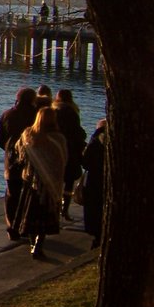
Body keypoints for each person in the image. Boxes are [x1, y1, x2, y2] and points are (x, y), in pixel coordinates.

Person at [10, 105, 67, 258]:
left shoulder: (27, 135)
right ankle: (38, 245)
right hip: (49, 184)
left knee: (30, 215)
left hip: (30, 181)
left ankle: (31, 243)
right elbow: (62, 161)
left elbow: (19, 154)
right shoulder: (58, 139)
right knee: (44, 216)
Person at [0, 87, 38, 240]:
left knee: (11, 194)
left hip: (12, 160)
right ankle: (25, 225)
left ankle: (11, 227)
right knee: (28, 194)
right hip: (31, 161)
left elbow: (0, 140)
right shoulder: (36, 115)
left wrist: (9, 150)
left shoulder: (7, 115)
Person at [52, 88, 87, 220]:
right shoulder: (72, 112)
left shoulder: (53, 111)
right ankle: (64, 209)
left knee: (56, 182)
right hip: (70, 152)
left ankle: (54, 209)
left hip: (57, 152)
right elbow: (78, 133)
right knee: (68, 182)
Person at [81, 118, 107, 249]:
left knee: (93, 209)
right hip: (105, 181)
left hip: (93, 180)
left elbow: (85, 161)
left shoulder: (95, 141)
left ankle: (95, 235)